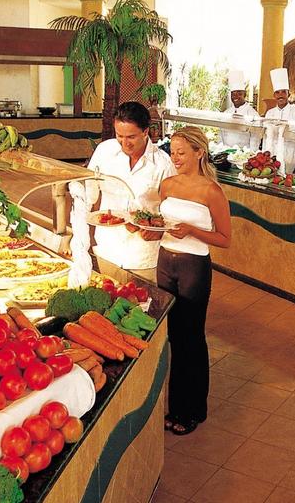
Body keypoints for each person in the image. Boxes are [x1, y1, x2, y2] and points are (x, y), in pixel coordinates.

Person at [157, 126, 231, 436]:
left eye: (181, 153)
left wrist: (192, 230)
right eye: (172, 152)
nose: (175, 158)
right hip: (165, 261)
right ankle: (176, 407)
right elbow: (163, 225)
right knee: (171, 337)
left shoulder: (211, 191)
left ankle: (192, 409)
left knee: (190, 339)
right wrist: (148, 230)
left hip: (193, 267)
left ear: (199, 153)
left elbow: (225, 239)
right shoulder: (167, 185)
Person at [85, 102, 175, 271]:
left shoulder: (164, 164)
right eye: (120, 135)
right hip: (107, 247)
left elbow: (174, 210)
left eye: (131, 137)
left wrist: (160, 230)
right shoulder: (104, 151)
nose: (124, 143)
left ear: (146, 132)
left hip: (142, 254)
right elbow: (89, 193)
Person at [262, 68, 295, 173]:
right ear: (274, 95)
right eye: (277, 92)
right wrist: (264, 157)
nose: (280, 95)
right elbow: (266, 138)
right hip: (271, 158)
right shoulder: (269, 113)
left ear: (288, 94)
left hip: (289, 158)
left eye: (283, 92)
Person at [221, 69, 260, 150]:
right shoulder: (226, 113)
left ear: (244, 94)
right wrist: (221, 150)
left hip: (243, 155)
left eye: (239, 93)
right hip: (226, 153)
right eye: (233, 93)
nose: (236, 96)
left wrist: (250, 155)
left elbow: (255, 138)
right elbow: (220, 134)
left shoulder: (252, 114)